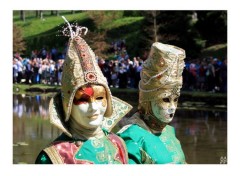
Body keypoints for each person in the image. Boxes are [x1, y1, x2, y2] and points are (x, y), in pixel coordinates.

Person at [35, 17, 132, 164]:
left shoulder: (118, 144)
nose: (94, 107)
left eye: (100, 98)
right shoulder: (53, 158)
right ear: (68, 105)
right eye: (83, 100)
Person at [117, 42, 187, 164]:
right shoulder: (131, 137)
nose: (172, 108)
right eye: (165, 100)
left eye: (175, 100)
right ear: (148, 100)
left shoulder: (169, 131)